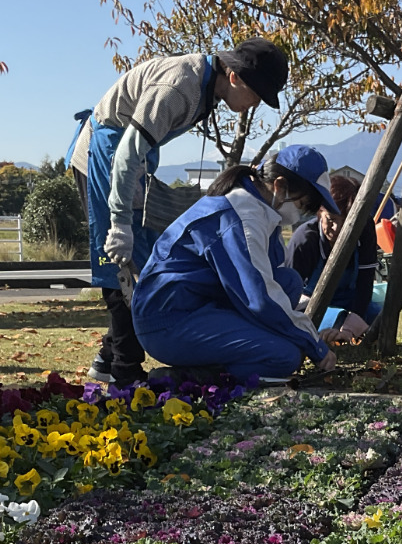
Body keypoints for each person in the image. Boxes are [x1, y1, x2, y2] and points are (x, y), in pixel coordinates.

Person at [67, 39, 290, 385]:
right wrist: (120, 222)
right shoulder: (178, 87)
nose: (255, 104)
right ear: (233, 77)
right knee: (121, 261)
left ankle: (107, 357)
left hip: (136, 160)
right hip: (108, 154)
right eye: (256, 94)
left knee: (149, 260)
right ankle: (125, 372)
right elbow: (126, 153)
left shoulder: (209, 89)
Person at [130, 145, 338, 384]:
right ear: (279, 186)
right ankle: (189, 377)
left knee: (288, 281)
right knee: (284, 357)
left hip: (199, 305)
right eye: (302, 204)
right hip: (169, 321)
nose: (301, 212)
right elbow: (260, 298)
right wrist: (313, 343)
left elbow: (267, 281)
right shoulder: (241, 218)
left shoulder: (258, 207)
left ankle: (229, 356)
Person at [287, 174, 383, 344]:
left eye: (346, 223)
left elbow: (365, 282)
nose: (337, 229)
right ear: (319, 214)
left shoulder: (365, 228)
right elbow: (289, 299)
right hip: (310, 305)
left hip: (350, 300)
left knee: (381, 318)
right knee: (335, 319)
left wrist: (351, 326)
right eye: (330, 220)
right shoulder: (304, 240)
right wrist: (337, 320)